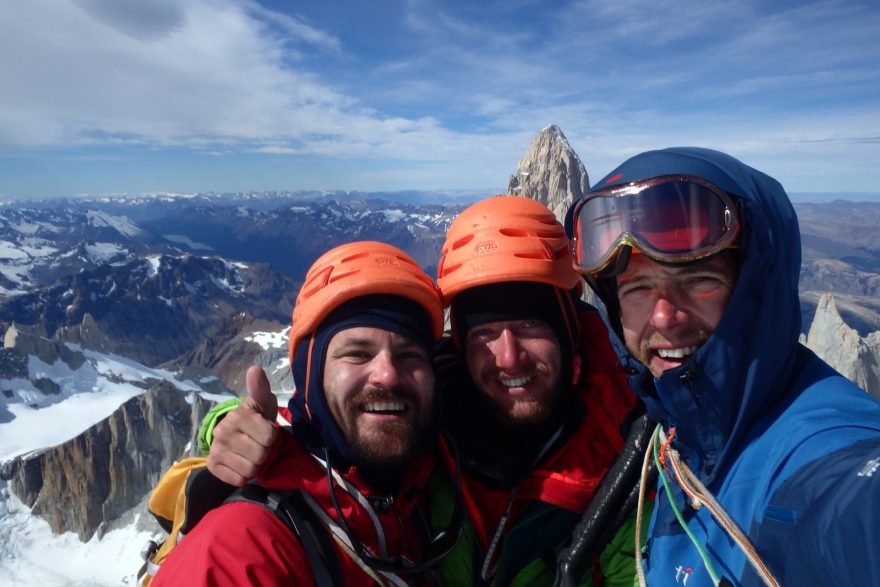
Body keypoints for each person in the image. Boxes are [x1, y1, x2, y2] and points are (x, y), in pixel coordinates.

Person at [206, 196, 644, 586]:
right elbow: (327, 426)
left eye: (531, 325)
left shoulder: (632, 457)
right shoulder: (424, 413)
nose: (509, 357)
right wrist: (225, 425)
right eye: (484, 332)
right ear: (459, 342)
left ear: (569, 333)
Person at [566, 146, 880, 586]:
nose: (663, 317)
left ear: (756, 290)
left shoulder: (822, 453)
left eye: (698, 280)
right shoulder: (676, 435)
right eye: (637, 288)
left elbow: (849, 510)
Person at [153, 241, 462, 586]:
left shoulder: (427, 479)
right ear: (311, 375)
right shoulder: (241, 549)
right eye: (358, 354)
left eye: (410, 355)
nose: (388, 375)